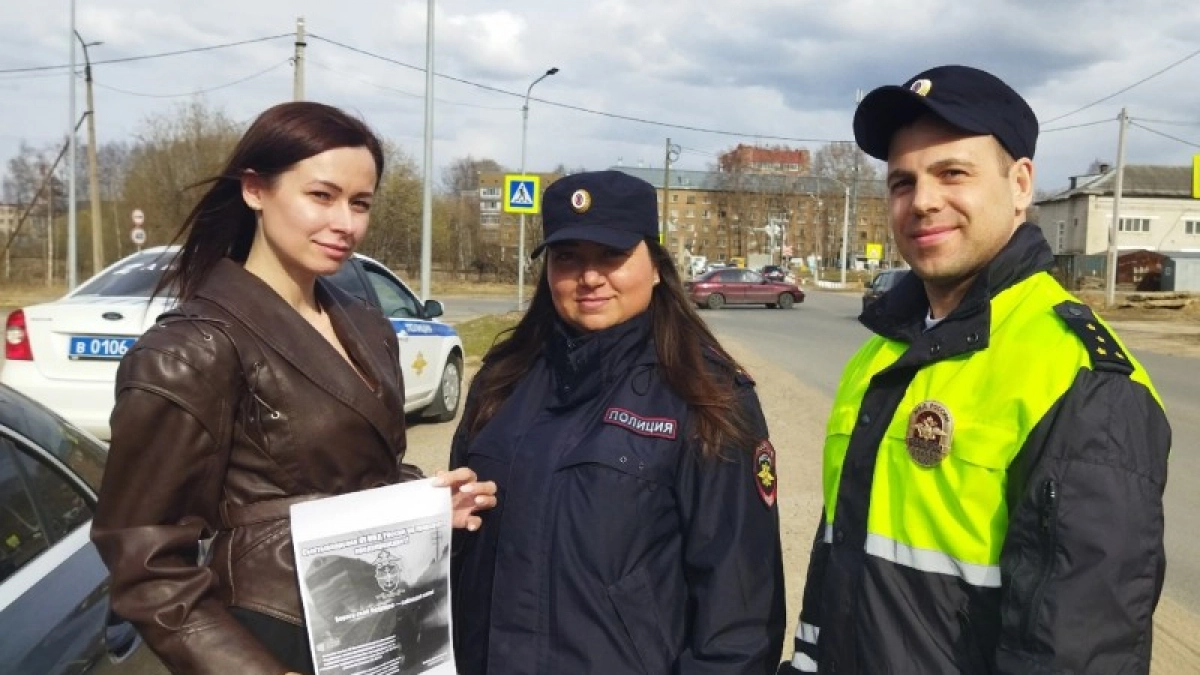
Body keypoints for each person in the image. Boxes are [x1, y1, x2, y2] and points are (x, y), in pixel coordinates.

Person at [778, 65, 1171, 674]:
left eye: (952, 173)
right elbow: (839, 561)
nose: (922, 201)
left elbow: (1076, 652)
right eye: (902, 182)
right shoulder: (878, 358)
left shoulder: (1083, 379)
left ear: (1020, 185)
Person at [90, 101, 497, 675]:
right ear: (255, 190)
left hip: (375, 629)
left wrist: (425, 506)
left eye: (360, 204)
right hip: (270, 636)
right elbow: (145, 566)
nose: (346, 225)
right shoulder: (191, 350)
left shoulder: (365, 324)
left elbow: (348, 474)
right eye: (322, 196)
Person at [449, 170, 787, 674]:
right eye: (567, 258)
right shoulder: (502, 380)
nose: (589, 277)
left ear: (654, 266)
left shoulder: (707, 396)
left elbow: (740, 617)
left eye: (612, 256)